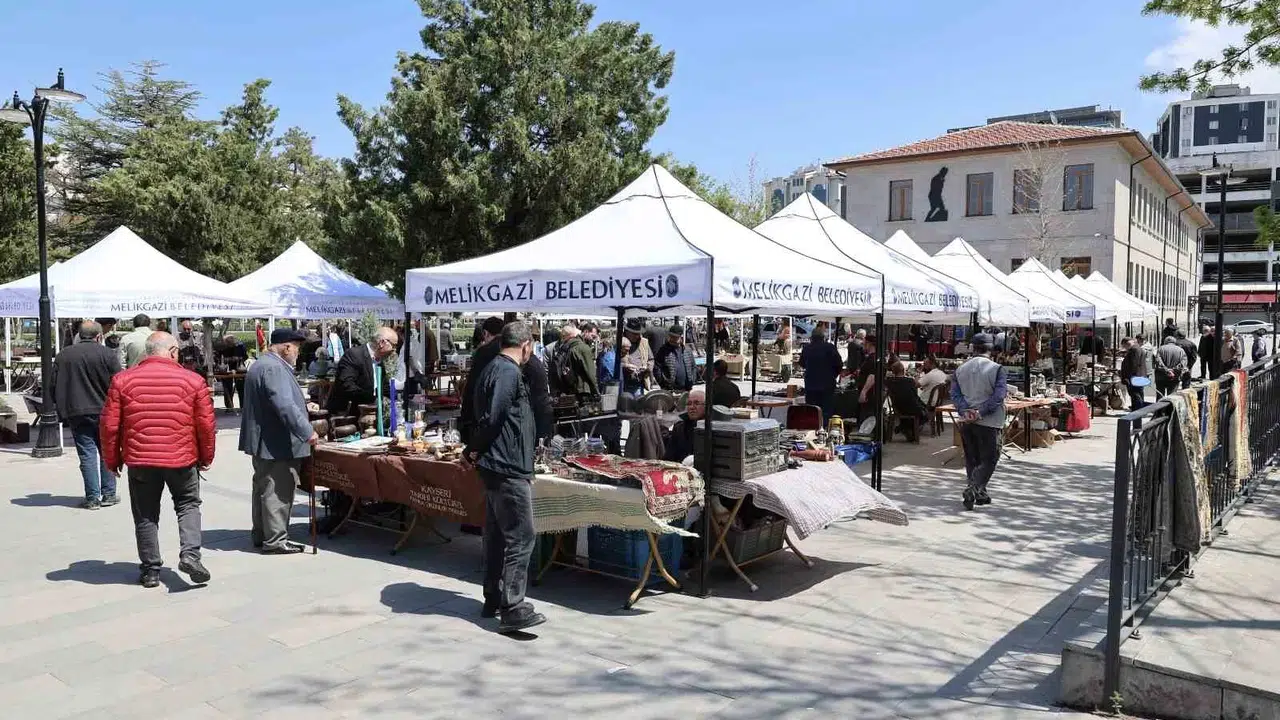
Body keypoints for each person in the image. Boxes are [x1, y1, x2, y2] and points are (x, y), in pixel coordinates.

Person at [100, 332, 215, 588]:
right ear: (173, 350)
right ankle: (190, 555)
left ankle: (151, 570)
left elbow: (109, 426)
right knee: (187, 505)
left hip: (141, 460)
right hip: (182, 458)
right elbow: (206, 425)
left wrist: (112, 460)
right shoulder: (193, 380)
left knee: (145, 514)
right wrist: (206, 456)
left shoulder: (122, 380)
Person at [464, 321, 545, 634]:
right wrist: (475, 449)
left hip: (500, 462)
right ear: (525, 346)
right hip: (506, 465)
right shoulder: (508, 371)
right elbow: (494, 416)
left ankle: (493, 597)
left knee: (498, 535)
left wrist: (475, 450)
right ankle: (513, 607)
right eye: (532, 348)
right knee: (522, 536)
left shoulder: (494, 368)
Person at [239, 328, 318, 555]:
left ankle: (263, 534)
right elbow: (283, 405)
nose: (297, 353)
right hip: (276, 443)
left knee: (265, 490)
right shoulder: (274, 367)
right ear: (286, 346)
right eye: (297, 348)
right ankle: (275, 540)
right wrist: (307, 431)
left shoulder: (262, 364)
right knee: (278, 492)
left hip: (267, 441)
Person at [53, 321, 122, 509]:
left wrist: (61, 408)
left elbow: (53, 385)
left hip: (77, 411)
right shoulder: (107, 354)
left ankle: (92, 498)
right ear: (99, 337)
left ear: (79, 335)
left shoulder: (64, 355)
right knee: (107, 453)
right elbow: (119, 383)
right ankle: (108, 494)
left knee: (87, 454)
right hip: (104, 411)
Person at [949, 333, 1007, 511]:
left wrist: (965, 410)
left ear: (973, 348)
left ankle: (979, 493)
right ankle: (973, 488)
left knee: (972, 458)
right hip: (990, 421)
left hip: (966, 420)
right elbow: (999, 396)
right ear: (991, 349)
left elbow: (955, 395)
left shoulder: (960, 369)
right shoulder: (997, 369)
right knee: (989, 459)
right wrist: (980, 412)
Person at [326, 325, 399, 415]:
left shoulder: (379, 360)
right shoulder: (354, 355)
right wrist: (372, 398)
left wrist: (398, 397)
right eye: (394, 345)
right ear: (382, 343)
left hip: (368, 414)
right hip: (346, 416)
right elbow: (347, 385)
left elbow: (384, 387)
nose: (394, 350)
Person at [798, 329, 842, 422]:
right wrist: (833, 375)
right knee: (826, 410)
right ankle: (825, 429)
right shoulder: (830, 347)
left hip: (811, 384)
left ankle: (812, 429)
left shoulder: (807, 348)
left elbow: (801, 363)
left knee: (812, 410)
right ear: (823, 338)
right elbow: (839, 364)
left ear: (811, 338)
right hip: (827, 384)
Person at [550, 322, 599, 398]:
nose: (593, 340)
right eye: (592, 336)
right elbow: (591, 374)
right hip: (581, 391)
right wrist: (597, 392)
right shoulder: (583, 348)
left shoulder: (568, 344)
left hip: (567, 389)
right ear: (586, 332)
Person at [886, 361, 928, 442]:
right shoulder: (910, 381)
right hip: (910, 406)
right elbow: (914, 395)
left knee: (917, 409)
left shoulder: (890, 381)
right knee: (924, 414)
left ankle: (904, 427)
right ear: (903, 370)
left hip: (897, 407)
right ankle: (906, 428)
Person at [665, 387, 705, 463]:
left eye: (696, 403)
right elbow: (668, 458)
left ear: (706, 406)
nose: (692, 407)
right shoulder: (679, 428)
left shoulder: (711, 428)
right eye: (689, 404)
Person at [654, 324, 697, 392]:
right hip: (670, 389)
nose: (672, 339)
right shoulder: (663, 350)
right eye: (671, 336)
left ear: (681, 337)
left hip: (686, 389)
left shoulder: (687, 350)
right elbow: (657, 367)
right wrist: (662, 383)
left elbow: (693, 367)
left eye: (675, 337)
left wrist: (692, 380)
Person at [213, 334, 249, 410]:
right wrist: (221, 363)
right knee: (227, 388)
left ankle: (243, 407)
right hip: (225, 369)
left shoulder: (239, 345)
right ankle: (229, 407)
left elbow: (245, 356)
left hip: (239, 368)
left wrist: (236, 361)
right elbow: (217, 357)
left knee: (241, 387)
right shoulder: (221, 347)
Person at [620, 319, 653, 395]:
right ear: (627, 332)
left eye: (638, 334)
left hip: (639, 383)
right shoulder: (620, 342)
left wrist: (647, 367)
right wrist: (625, 366)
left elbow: (651, 359)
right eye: (634, 334)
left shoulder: (644, 342)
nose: (637, 336)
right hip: (624, 383)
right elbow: (613, 361)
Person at [1120, 342, 1148, 411]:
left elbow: (1134, 364)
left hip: (1135, 376)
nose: (1125, 349)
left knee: (1136, 394)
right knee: (1138, 393)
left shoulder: (1134, 350)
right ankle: (1138, 409)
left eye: (1124, 346)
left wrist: (1129, 377)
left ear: (1127, 344)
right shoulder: (1139, 349)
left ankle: (1137, 410)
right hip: (1139, 375)